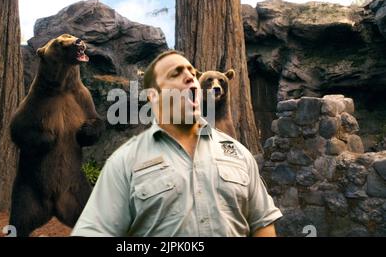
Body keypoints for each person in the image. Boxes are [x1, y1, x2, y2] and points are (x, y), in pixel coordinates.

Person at [71, 51, 282, 237]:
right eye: (176, 73)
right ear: (154, 96)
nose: (190, 77)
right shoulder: (124, 162)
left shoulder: (238, 153)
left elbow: (262, 222)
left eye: (191, 72)